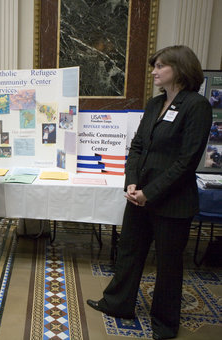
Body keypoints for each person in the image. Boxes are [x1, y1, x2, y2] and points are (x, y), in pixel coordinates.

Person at [86, 45, 212, 340]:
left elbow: (187, 161)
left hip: (172, 201)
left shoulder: (196, 106)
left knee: (168, 264)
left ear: (179, 69)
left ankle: (165, 323)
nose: (154, 71)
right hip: (139, 196)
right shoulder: (155, 104)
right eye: (154, 66)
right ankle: (117, 304)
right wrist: (131, 182)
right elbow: (138, 146)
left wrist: (149, 193)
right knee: (129, 252)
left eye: (160, 66)